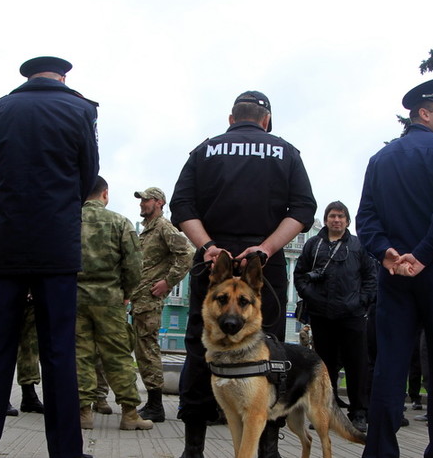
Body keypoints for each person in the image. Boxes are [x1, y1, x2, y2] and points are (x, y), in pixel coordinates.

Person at [170, 90, 316, 458]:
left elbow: (182, 206)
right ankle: (268, 448)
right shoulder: (286, 151)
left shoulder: (204, 151)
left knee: (199, 349)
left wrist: (208, 248)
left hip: (213, 266)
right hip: (262, 269)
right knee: (269, 353)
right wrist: (265, 249)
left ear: (232, 119)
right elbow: (302, 210)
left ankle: (193, 448)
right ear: (266, 121)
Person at [0, 56, 99, 458]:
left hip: (4, 239)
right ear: (61, 77)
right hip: (55, 243)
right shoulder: (81, 109)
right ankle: (66, 452)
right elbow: (87, 175)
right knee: (58, 350)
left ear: (28, 77)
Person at [356, 77, 433, 458]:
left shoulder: (380, 159)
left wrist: (387, 253)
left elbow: (366, 218)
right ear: (425, 113)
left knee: (390, 363)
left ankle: (380, 450)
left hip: (394, 274)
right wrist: (423, 254)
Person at [76, 176, 152, 431]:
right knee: (118, 356)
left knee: (80, 355)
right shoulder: (120, 222)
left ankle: (83, 413)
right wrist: (127, 292)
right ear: (105, 194)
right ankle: (130, 414)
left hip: (74, 300)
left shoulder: (66, 220)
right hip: (110, 300)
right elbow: (133, 265)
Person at [294, 200, 377, 432]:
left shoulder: (358, 247)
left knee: (357, 365)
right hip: (322, 314)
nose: (336, 220)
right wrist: (310, 295)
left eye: (341, 216)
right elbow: (299, 275)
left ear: (347, 221)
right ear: (327, 219)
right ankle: (325, 412)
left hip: (352, 315)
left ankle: (359, 412)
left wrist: (361, 302)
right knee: (324, 367)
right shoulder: (313, 245)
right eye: (332, 216)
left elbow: (371, 278)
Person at [130, 186, 194, 423]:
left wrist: (168, 282)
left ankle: (156, 406)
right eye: (141, 201)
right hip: (139, 301)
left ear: (158, 202)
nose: (141, 204)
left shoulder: (164, 227)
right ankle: (151, 403)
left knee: (148, 350)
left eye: (146, 200)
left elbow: (186, 254)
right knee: (142, 350)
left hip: (149, 302)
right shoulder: (148, 231)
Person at [14, 299, 45, 414]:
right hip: (8, 291)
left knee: (30, 346)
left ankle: (29, 395)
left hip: (32, 298)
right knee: (2, 345)